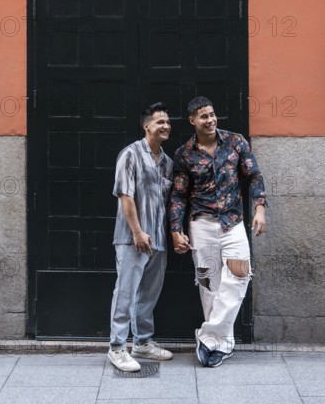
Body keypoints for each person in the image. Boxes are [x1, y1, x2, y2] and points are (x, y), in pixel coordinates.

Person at [168, 96, 266, 368]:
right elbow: (178, 195)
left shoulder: (236, 142)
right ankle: (222, 345)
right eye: (203, 116)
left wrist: (260, 208)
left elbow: (254, 176)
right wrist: (176, 230)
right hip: (201, 226)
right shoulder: (184, 154)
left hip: (233, 224)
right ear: (192, 121)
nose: (210, 120)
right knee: (209, 285)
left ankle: (209, 338)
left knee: (239, 275)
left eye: (212, 114)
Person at [108, 102, 174, 372]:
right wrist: (137, 232)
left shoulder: (168, 163)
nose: (166, 126)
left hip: (157, 239)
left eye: (168, 122)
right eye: (160, 122)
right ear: (146, 125)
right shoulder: (130, 154)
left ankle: (142, 343)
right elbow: (126, 195)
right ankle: (116, 348)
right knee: (125, 293)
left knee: (148, 294)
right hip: (132, 238)